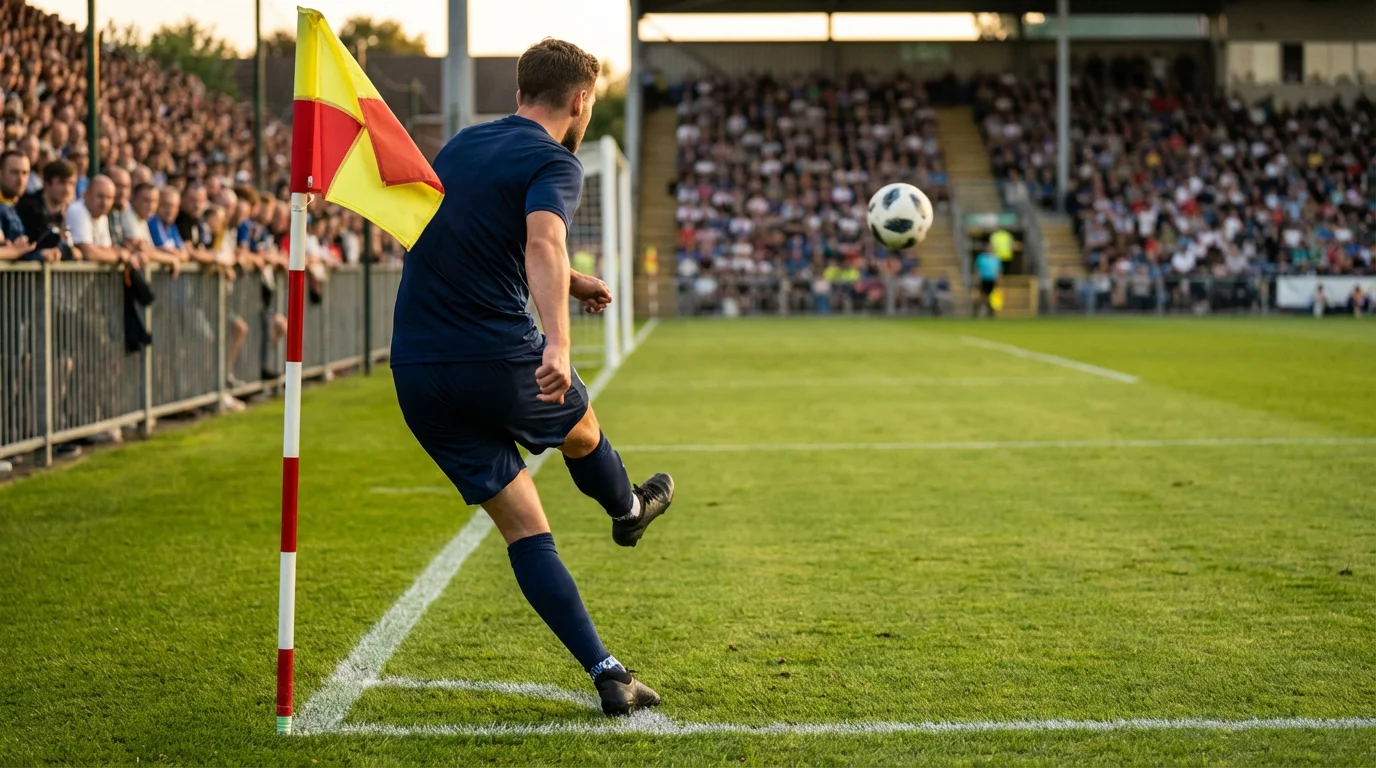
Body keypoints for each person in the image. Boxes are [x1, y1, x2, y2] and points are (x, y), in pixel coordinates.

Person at [389, 38, 673, 717]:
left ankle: (608, 672)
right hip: (496, 356)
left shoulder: (460, 146)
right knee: (582, 425)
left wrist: (570, 283)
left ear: (521, 92)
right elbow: (542, 239)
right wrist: (559, 342)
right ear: (580, 101)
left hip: (418, 371)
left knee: (524, 529)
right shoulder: (554, 160)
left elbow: (462, 233)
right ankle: (628, 512)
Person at [975, 246, 1003, 317]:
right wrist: (977, 278)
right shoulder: (981, 258)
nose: (989, 249)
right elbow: (977, 269)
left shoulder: (996, 258)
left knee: (992, 297)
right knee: (983, 296)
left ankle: (992, 313)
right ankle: (982, 312)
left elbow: (998, 270)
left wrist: (999, 279)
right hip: (984, 279)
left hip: (992, 280)